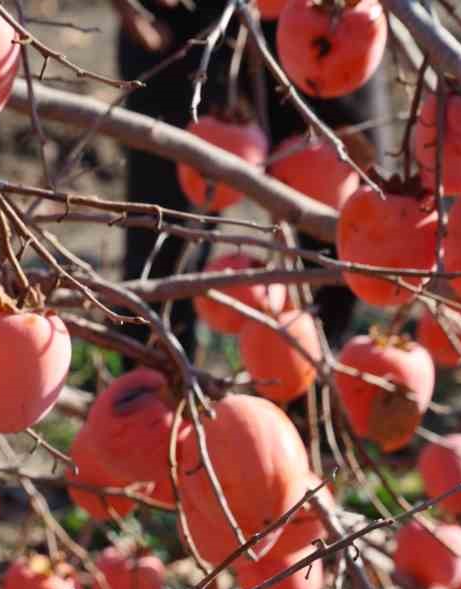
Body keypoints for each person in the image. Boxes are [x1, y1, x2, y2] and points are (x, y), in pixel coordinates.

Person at [114, 0, 388, 356]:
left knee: (340, 231)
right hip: (182, 18)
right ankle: (159, 386)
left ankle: (311, 385)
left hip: (327, 17)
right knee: (163, 229)